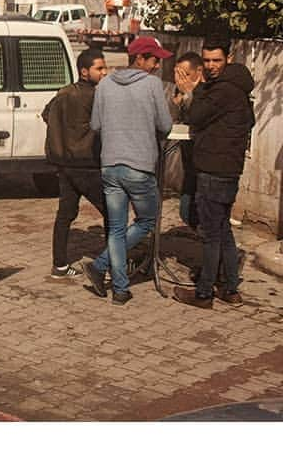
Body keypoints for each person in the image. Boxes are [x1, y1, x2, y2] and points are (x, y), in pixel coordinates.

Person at [80, 35, 173, 305]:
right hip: (139, 166)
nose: (157, 65)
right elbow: (165, 126)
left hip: (110, 165)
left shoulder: (105, 84)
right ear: (140, 59)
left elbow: (96, 124)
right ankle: (100, 267)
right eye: (154, 59)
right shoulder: (153, 85)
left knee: (117, 229)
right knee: (146, 220)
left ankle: (119, 288)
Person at [172, 36, 255, 309]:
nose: (210, 66)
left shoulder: (223, 90)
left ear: (228, 59)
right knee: (223, 230)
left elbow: (195, 115)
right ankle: (230, 288)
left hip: (214, 169)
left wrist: (190, 92)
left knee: (210, 234)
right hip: (229, 168)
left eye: (216, 60)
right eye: (206, 60)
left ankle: (204, 292)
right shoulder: (237, 87)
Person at [42, 48, 108, 281]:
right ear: (84, 71)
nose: (104, 72)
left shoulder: (64, 92)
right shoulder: (96, 96)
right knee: (111, 214)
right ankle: (111, 263)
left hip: (64, 164)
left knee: (65, 214)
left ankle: (59, 265)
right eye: (99, 68)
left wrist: (65, 134)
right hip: (87, 165)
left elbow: (46, 114)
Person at [167, 52, 204, 230]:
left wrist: (190, 95)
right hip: (185, 161)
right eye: (178, 74)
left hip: (203, 160)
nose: (181, 80)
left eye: (186, 75)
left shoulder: (205, 92)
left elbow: (199, 117)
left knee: (197, 212)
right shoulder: (177, 92)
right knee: (186, 210)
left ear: (199, 71)